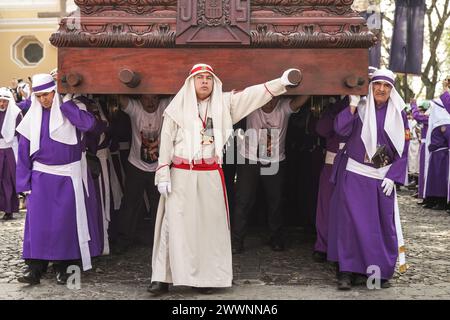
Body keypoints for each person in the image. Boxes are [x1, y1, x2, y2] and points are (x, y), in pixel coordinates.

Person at [148, 63, 301, 296]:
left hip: (210, 174)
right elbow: (166, 141)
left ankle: (206, 277)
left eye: (208, 78)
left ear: (213, 82)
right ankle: (162, 278)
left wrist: (281, 83)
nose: (204, 81)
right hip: (180, 174)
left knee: (209, 228)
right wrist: (162, 173)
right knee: (173, 226)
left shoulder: (225, 103)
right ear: (191, 82)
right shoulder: (176, 108)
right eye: (199, 77)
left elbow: (253, 94)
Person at [15, 74, 102, 285]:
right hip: (41, 179)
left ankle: (65, 268)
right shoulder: (31, 119)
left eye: (47, 94)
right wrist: (24, 185)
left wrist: (68, 107)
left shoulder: (70, 110)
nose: (43, 100)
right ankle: (34, 268)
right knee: (38, 225)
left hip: (67, 178)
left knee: (66, 224)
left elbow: (92, 127)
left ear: (56, 91)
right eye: (39, 96)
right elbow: (24, 152)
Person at [327, 69, 409, 290]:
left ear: (392, 90)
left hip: (381, 178)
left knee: (377, 228)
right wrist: (352, 105)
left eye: (386, 86)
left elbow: (404, 147)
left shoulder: (398, 113)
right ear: (371, 86)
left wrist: (394, 176)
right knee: (350, 225)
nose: (381, 89)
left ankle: (373, 273)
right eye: (377, 84)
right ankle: (346, 272)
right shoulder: (360, 109)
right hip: (354, 175)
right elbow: (340, 130)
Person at [231, 95, 309, 254]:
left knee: (276, 201)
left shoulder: (283, 108)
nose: (269, 103)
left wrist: (315, 84)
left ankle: (276, 238)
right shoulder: (252, 104)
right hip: (249, 158)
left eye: (273, 100)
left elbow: (300, 100)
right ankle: (236, 241)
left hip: (274, 160)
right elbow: (236, 96)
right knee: (243, 200)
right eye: (266, 99)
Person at [112, 94, 171, 253]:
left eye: (154, 98)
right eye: (147, 98)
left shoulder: (165, 106)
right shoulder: (135, 108)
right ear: (140, 99)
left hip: (158, 168)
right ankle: (123, 240)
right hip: (136, 166)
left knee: (159, 206)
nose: (151, 102)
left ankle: (159, 241)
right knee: (129, 205)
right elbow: (120, 96)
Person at [312, 96, 348, 262]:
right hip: (332, 162)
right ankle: (323, 245)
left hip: (354, 166)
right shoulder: (336, 108)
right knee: (326, 206)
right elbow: (322, 129)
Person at [423, 79, 450, 211]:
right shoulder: (438, 122)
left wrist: (445, 90)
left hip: (442, 153)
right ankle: (432, 198)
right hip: (435, 152)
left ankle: (441, 200)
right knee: (434, 179)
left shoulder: (445, 122)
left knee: (440, 179)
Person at [0, 87, 22, 220]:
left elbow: (21, 135)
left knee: (7, 180)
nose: (2, 104)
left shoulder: (15, 113)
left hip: (10, 150)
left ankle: (8, 209)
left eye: (4, 101)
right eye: (0, 101)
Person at [410, 99, 430, 204]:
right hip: (423, 144)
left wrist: (413, 105)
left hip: (427, 145)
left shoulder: (429, 117)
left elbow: (417, 116)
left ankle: (425, 194)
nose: (420, 111)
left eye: (422, 110)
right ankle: (422, 193)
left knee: (425, 171)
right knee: (422, 171)